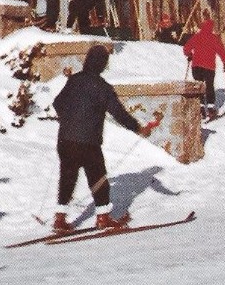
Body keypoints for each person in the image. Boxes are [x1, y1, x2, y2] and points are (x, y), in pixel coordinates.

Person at [51, 46, 152, 233]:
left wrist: (68, 118)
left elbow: (57, 103)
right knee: (98, 178)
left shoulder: (73, 80)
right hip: (88, 142)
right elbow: (119, 114)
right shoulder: (103, 87)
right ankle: (103, 217)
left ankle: (60, 219)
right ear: (103, 64)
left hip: (65, 140)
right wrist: (138, 128)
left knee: (67, 177)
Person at [182, 18, 225, 119]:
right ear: (211, 28)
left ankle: (201, 108)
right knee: (209, 86)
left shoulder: (196, 36)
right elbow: (221, 51)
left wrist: (189, 54)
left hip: (196, 66)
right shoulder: (214, 38)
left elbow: (186, 48)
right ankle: (211, 108)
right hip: (209, 67)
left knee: (199, 86)